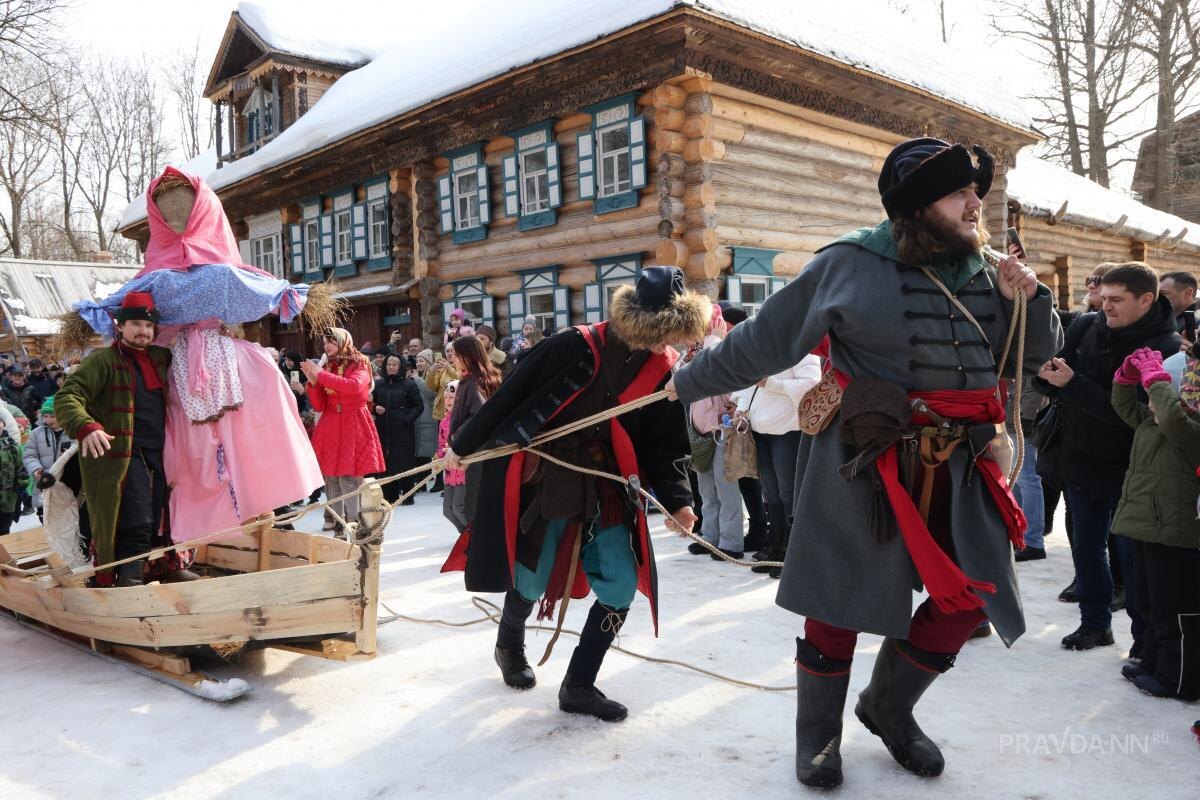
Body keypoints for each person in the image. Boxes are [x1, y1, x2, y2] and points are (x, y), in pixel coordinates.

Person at [671, 137, 1061, 788]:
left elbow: (1036, 355)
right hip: (864, 457)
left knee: (974, 596)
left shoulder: (991, 268)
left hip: (963, 463)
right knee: (839, 602)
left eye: (975, 191)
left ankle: (888, 708)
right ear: (916, 204)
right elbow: (764, 341)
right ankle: (818, 740)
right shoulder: (848, 263)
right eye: (959, 191)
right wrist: (681, 385)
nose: (975, 203)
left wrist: (1033, 300)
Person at [443, 266, 704, 722]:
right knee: (528, 579)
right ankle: (509, 646)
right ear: (636, 320)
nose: (663, 344)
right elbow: (511, 397)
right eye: (658, 333)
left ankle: (579, 684)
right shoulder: (573, 344)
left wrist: (680, 500)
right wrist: (462, 445)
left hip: (607, 484)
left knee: (621, 586)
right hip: (546, 476)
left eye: (672, 335)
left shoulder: (662, 370)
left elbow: (665, 445)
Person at [1036, 262, 1179, 652]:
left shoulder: (1164, 348)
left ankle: (1142, 639)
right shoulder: (1087, 325)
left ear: (1146, 300)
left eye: (1117, 300)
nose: (1107, 306)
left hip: (1135, 468)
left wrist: (1072, 383)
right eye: (1104, 298)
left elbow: (1129, 416)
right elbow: (1056, 371)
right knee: (1085, 547)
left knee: (1134, 559)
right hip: (1082, 457)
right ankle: (1095, 623)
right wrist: (1048, 376)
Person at [54, 293, 197, 586]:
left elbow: (195, 363)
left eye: (148, 325)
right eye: (135, 324)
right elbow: (68, 396)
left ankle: (165, 567)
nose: (143, 331)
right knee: (137, 518)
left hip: (160, 451)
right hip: (120, 456)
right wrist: (86, 426)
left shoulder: (161, 357)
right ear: (119, 326)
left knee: (164, 514)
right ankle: (128, 580)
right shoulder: (102, 361)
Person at [1108, 347, 1200, 700]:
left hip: (1175, 532)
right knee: (1147, 604)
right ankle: (1151, 662)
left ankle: (1176, 677)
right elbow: (1123, 406)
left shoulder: (1189, 431)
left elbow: (1176, 422)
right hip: (1145, 525)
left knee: (1172, 609)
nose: (1149, 402)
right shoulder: (1152, 424)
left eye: (1156, 393)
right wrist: (1125, 378)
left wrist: (1157, 378)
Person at [733, 347, 821, 577]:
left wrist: (772, 384)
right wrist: (741, 410)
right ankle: (775, 545)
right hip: (759, 429)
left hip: (788, 431)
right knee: (771, 493)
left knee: (788, 493)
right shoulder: (760, 346)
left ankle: (791, 552)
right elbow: (746, 385)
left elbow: (813, 384)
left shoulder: (801, 349)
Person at [302, 328, 386, 538]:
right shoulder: (328, 365)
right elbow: (320, 404)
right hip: (330, 422)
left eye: (330, 341)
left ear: (342, 341)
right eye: (324, 343)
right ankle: (338, 527)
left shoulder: (360, 363)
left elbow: (354, 387)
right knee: (331, 477)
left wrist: (321, 375)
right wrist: (313, 383)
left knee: (348, 477)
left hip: (352, 421)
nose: (326, 346)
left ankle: (355, 525)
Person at [686, 307, 746, 559]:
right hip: (700, 430)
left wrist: (713, 341)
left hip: (724, 429)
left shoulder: (724, 348)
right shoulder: (694, 352)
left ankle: (731, 543)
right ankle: (710, 536)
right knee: (706, 489)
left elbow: (713, 371)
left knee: (726, 488)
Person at [372, 353, 424, 506]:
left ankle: (408, 495)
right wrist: (375, 409)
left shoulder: (409, 384)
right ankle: (389, 496)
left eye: (395, 364)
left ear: (400, 367)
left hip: (403, 430)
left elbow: (418, 406)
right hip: (383, 430)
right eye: (389, 364)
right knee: (386, 464)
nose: (391, 367)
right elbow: (370, 404)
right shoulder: (379, 384)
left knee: (405, 462)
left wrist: (407, 420)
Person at [23, 396, 71, 523]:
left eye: (53, 416)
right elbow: (29, 455)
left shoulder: (73, 432)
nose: (48, 419)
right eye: (45, 416)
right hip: (44, 485)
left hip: (67, 485)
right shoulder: (36, 433)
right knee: (46, 523)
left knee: (67, 524)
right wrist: (36, 469)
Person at [438, 380, 468, 532]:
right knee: (448, 511)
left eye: (452, 397)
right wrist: (439, 455)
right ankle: (464, 535)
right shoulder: (443, 421)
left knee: (458, 507)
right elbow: (441, 443)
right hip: (449, 471)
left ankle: (472, 536)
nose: (448, 401)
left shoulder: (466, 421)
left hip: (463, 471)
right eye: (447, 397)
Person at [412, 349, 440, 488]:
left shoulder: (432, 375)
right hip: (419, 418)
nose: (418, 364)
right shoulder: (418, 375)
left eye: (422, 361)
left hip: (430, 417)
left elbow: (431, 395)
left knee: (434, 450)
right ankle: (423, 480)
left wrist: (417, 380)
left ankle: (439, 480)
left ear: (429, 362)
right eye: (417, 361)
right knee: (421, 450)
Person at [0, 424, 25, 535]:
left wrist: (22, 485)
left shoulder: (11, 445)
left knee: (4, 529)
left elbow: (20, 467)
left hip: (8, 496)